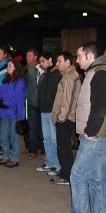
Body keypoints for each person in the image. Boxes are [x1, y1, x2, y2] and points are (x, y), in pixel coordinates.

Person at [70, 41, 106, 212]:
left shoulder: (99, 73)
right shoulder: (94, 72)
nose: (77, 60)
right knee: (96, 179)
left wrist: (90, 132)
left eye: (79, 56)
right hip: (97, 136)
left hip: (94, 137)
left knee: (77, 176)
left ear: (90, 56)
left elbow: (100, 106)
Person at [49, 51, 81, 185]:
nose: (57, 64)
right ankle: (66, 174)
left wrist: (61, 118)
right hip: (64, 117)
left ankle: (66, 176)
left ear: (67, 62)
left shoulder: (70, 77)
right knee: (63, 147)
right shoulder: (66, 76)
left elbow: (68, 101)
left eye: (59, 61)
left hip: (65, 118)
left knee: (64, 148)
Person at [0, 58, 26, 168]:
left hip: (15, 113)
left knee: (14, 136)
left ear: (16, 68)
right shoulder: (5, 81)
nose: (7, 68)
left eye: (10, 66)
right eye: (8, 65)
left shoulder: (20, 81)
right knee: (2, 135)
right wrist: (0, 102)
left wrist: (5, 103)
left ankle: (14, 158)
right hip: (4, 112)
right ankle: (6, 155)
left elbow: (17, 96)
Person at [36, 51, 62, 174]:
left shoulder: (56, 74)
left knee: (54, 138)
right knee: (46, 138)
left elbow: (56, 93)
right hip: (44, 110)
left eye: (43, 61)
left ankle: (57, 165)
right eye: (40, 61)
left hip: (52, 110)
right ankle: (49, 163)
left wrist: (53, 107)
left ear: (50, 59)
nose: (41, 64)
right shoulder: (45, 74)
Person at [24, 49, 45, 160]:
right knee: (32, 128)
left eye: (43, 61)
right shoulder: (31, 72)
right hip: (31, 103)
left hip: (42, 104)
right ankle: (33, 151)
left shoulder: (47, 73)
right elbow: (27, 86)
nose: (41, 63)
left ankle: (43, 151)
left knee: (42, 129)